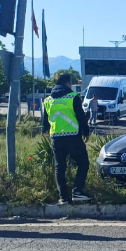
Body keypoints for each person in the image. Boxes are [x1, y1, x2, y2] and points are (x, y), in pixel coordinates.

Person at [42, 74, 91, 204]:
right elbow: (80, 116)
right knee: (83, 163)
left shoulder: (47, 100)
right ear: (68, 83)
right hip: (72, 136)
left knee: (60, 167)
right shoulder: (73, 97)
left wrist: (45, 132)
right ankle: (77, 192)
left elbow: (45, 123)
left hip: (56, 138)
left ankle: (63, 198)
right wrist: (86, 131)